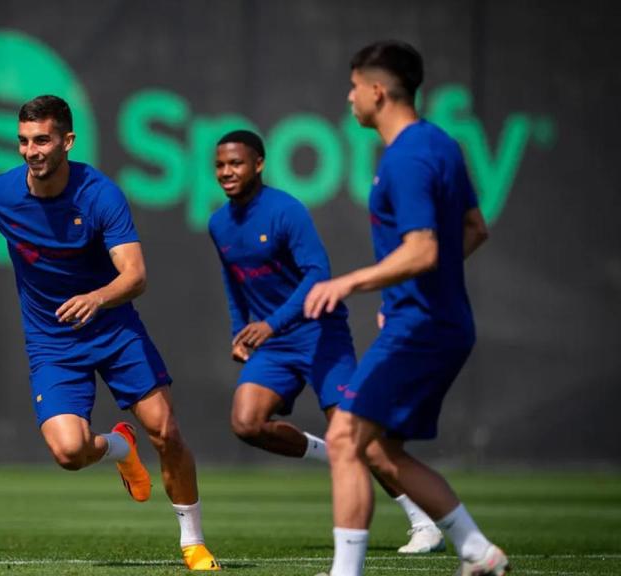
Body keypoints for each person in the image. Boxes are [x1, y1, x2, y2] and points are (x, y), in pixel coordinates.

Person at [0, 95, 219, 571]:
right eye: (23, 141)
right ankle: (120, 447)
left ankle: (193, 542)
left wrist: (97, 298)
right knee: (69, 451)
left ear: (68, 141)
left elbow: (135, 275)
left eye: (42, 139)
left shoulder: (100, 194)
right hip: (52, 342)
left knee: (166, 431)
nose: (30, 150)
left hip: (115, 330)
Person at [304, 41, 508, 576]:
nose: (348, 98)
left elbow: (423, 249)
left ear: (377, 90)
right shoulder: (440, 144)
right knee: (378, 450)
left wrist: (351, 282)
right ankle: (477, 552)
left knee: (345, 438)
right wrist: (409, 290)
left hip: (421, 327)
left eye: (353, 87)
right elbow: (474, 230)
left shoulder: (406, 158)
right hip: (437, 320)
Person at [209, 129, 446, 554]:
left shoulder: (286, 211)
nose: (227, 172)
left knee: (360, 437)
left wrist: (271, 324)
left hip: (320, 334)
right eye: (220, 165)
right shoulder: (219, 222)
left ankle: (423, 521)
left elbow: (318, 272)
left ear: (258, 165)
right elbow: (232, 281)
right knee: (246, 423)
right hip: (274, 341)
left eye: (236, 163)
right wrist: (238, 331)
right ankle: (329, 454)